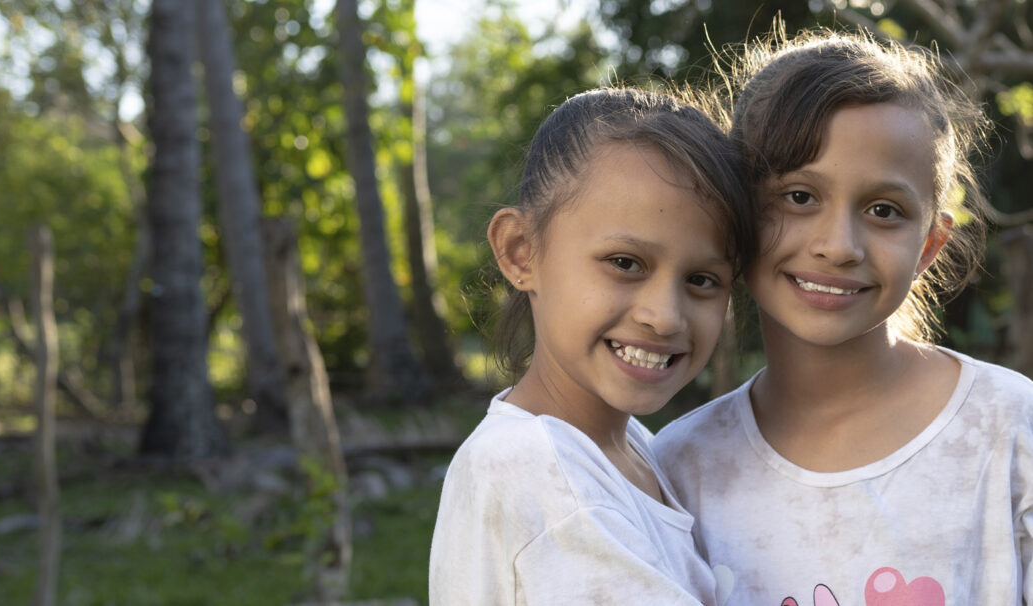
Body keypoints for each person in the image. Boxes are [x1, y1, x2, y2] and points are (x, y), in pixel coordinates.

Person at [653, 27, 1033, 605]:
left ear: (929, 245)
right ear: (735, 213)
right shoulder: (677, 471)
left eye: (885, 210)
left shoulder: (1010, 432)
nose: (839, 246)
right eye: (799, 197)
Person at [428, 86, 756, 605]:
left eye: (702, 280)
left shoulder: (629, 449)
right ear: (520, 252)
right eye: (625, 263)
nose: (664, 316)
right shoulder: (540, 473)